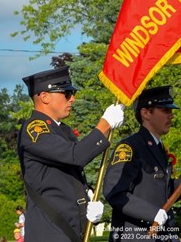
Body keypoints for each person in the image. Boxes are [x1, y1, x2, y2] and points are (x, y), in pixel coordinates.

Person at [17, 66, 125, 242]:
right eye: (66, 93)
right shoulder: (34, 128)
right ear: (44, 97)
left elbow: (69, 173)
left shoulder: (62, 130)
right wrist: (105, 123)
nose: (73, 99)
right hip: (49, 231)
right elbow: (75, 156)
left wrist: (88, 196)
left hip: (69, 229)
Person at [103, 86, 180, 241]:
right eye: (165, 111)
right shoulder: (130, 148)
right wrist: (153, 214)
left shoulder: (158, 148)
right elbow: (115, 192)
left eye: (171, 111)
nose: (171, 116)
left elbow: (160, 190)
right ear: (145, 113)